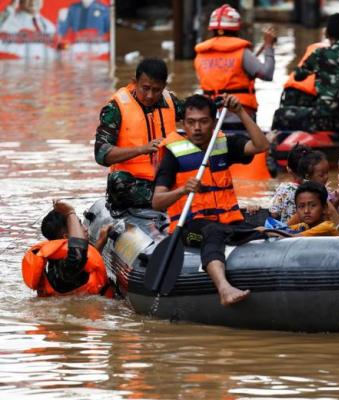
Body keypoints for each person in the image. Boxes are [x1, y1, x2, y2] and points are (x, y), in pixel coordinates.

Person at [152, 94, 269, 306]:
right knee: (213, 232)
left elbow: (261, 145)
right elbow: (157, 201)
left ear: (214, 123)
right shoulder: (173, 155)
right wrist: (182, 191)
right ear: (183, 124)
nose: (197, 128)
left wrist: (240, 112)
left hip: (228, 222)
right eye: (191, 122)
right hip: (190, 228)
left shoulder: (224, 144)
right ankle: (224, 289)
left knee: (260, 229)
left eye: (204, 121)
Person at [94, 58, 185, 212]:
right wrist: (141, 149)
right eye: (145, 88)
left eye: (156, 90)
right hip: (134, 184)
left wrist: (217, 103)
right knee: (118, 182)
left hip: (165, 180)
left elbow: (195, 113)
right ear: (135, 82)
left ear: (164, 86)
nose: (150, 95)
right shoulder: (115, 108)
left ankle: (168, 198)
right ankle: (162, 200)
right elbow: (101, 154)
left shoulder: (170, 101)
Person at [272, 13, 339, 136]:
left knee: (280, 114)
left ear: (326, 33)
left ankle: (272, 149)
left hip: (324, 120)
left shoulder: (320, 54)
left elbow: (298, 75)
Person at [193, 3, 276, 131]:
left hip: (210, 116)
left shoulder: (201, 54)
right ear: (236, 29)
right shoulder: (242, 53)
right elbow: (267, 74)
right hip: (240, 116)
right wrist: (269, 46)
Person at [21, 200, 114, 297]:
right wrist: (70, 212)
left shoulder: (59, 263)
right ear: (67, 237)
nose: (86, 228)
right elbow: (77, 257)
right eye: (79, 225)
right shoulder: (62, 270)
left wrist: (101, 242)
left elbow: (85, 267)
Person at [269, 144, 329, 223]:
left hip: (287, 231)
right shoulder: (320, 191)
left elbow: (274, 213)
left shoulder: (284, 188)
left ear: (289, 169)